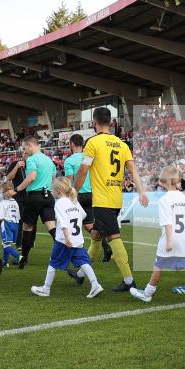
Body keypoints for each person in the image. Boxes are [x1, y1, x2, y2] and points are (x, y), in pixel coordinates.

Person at [74, 107, 149, 293]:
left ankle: (129, 280)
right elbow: (133, 171)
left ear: (94, 122)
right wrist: (141, 192)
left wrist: (73, 192)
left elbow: (83, 170)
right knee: (96, 235)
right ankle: (80, 275)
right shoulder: (121, 144)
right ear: (111, 122)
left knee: (114, 237)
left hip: (102, 200)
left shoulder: (92, 142)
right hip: (116, 199)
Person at [129, 165, 185, 305]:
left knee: (158, 266)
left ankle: (147, 294)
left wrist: (169, 241)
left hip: (169, 240)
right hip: (183, 240)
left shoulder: (164, 200)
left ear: (163, 182)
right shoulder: (184, 198)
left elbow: (167, 222)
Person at [30, 177, 103, 299]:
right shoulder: (73, 200)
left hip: (64, 241)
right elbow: (83, 215)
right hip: (77, 239)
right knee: (84, 262)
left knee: (53, 262)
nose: (51, 191)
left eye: (52, 189)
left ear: (58, 190)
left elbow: (63, 223)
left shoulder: (59, 203)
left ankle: (46, 289)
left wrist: (67, 238)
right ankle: (95, 285)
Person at [3, 136, 56, 268]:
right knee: (52, 227)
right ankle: (68, 253)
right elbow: (53, 178)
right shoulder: (49, 160)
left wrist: (16, 189)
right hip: (48, 196)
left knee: (27, 227)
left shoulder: (32, 159)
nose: (24, 150)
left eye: (24, 147)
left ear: (30, 145)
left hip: (34, 197)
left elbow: (31, 177)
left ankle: (24, 259)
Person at [64, 133, 112, 263]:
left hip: (78, 194)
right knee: (89, 224)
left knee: (72, 225)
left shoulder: (69, 160)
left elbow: (69, 181)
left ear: (72, 144)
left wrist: (68, 196)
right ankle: (106, 247)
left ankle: (74, 254)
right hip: (93, 194)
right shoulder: (89, 158)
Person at [0, 181, 21, 267]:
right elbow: (18, 216)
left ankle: (19, 257)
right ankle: (4, 261)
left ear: (4, 192)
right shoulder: (15, 202)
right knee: (6, 243)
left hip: (6, 224)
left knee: (6, 245)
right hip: (16, 224)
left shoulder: (2, 203)